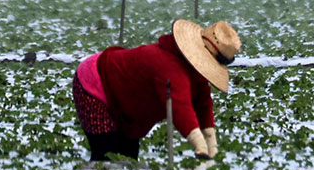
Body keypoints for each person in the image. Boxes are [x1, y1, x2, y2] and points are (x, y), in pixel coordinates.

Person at [71, 19, 241, 162]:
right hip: (94, 82)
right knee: (106, 153)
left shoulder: (194, 73)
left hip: (125, 96)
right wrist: (200, 146)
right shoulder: (169, 66)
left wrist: (212, 145)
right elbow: (180, 107)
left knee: (128, 155)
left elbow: (203, 103)